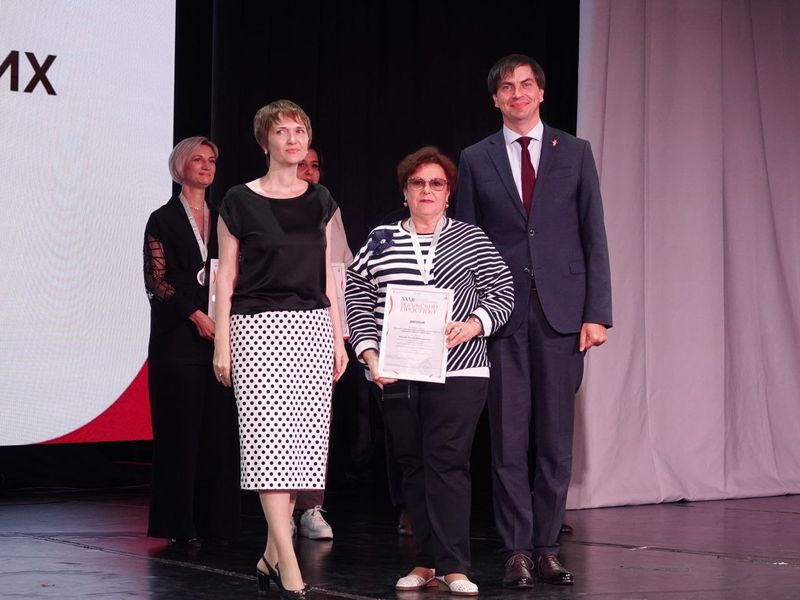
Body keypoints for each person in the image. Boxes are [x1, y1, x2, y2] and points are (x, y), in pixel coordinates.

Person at [454, 54, 612, 587]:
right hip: (501, 316)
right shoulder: (475, 158)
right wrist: (471, 314)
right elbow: (465, 242)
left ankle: (547, 547)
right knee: (507, 439)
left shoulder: (576, 152)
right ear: (495, 99)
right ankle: (516, 549)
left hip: (563, 315)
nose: (517, 93)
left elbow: (594, 235)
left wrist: (597, 313)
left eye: (526, 84)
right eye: (507, 87)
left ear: (541, 93)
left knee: (555, 440)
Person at [346, 146, 514, 596]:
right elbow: (356, 294)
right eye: (417, 182)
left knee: (448, 462)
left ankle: (454, 566)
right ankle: (425, 563)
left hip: (461, 369)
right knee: (412, 465)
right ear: (405, 192)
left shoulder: (470, 238)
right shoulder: (381, 239)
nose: (427, 190)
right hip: (397, 370)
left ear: (448, 193)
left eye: (436, 183)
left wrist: (474, 324)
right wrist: (369, 354)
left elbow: (503, 290)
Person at [213, 100, 348, 598]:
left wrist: (338, 335)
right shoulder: (237, 200)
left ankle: (270, 555)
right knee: (268, 447)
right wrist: (222, 343)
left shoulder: (321, 200)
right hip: (256, 329)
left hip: (312, 328)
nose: (293, 139)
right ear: (264, 141)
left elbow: (330, 275)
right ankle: (288, 562)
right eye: (282, 131)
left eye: (299, 131)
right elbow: (225, 277)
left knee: (303, 451)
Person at [143, 136, 240, 544]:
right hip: (177, 341)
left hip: (220, 340)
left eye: (212, 160)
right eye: (198, 159)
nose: (206, 166)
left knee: (217, 435)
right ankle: (177, 525)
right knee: (179, 435)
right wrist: (195, 315)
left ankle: (216, 525)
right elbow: (156, 281)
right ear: (180, 166)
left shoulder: (224, 218)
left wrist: (222, 321)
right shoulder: (162, 219)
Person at [290, 145, 352, 540]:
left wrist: (341, 330)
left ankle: (311, 507)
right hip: (277, 322)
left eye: (315, 165)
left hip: (319, 323)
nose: (309, 171)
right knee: (280, 421)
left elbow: (341, 266)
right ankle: (281, 508)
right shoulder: (264, 203)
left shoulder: (328, 207)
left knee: (315, 422)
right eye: (302, 165)